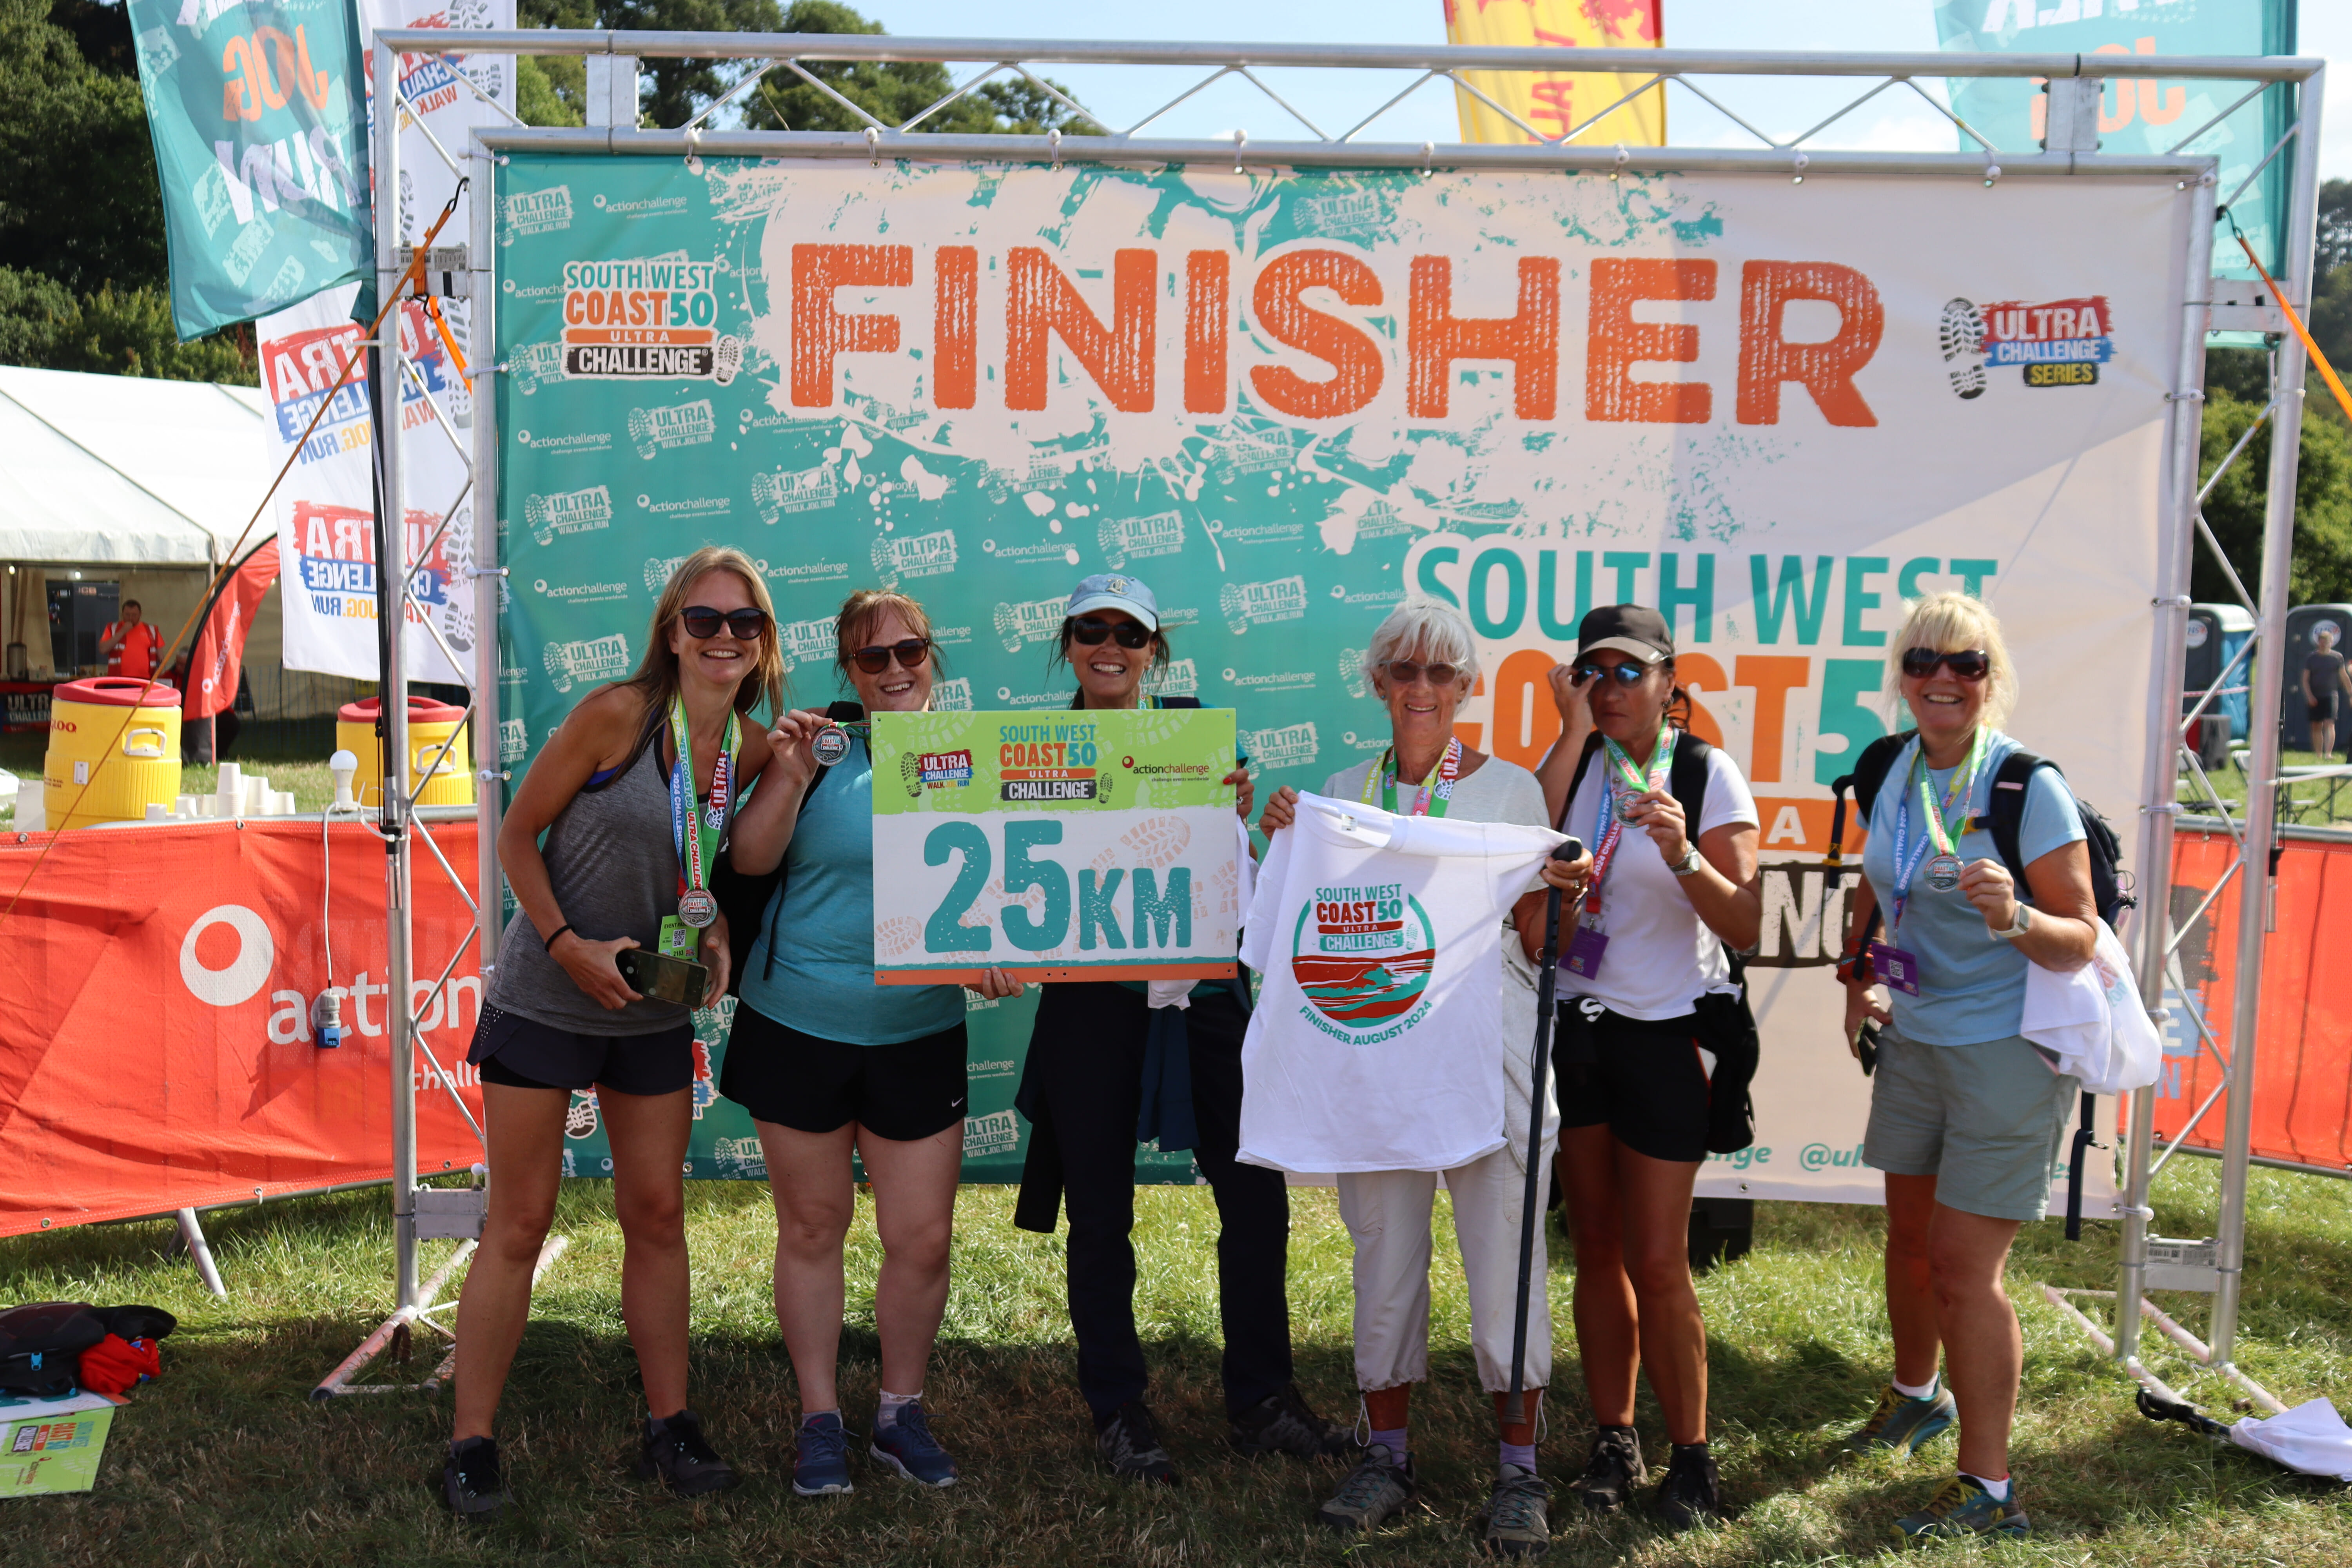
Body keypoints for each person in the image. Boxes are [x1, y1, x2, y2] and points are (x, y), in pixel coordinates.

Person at [444, 545, 782, 1516]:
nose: (723, 637)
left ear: (762, 642)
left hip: (651, 1010)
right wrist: (565, 943)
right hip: (546, 995)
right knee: (519, 1220)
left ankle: (669, 1426)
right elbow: (515, 835)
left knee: (657, 1215)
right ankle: (471, 1442)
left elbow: (718, 863)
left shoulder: (752, 750)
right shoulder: (615, 715)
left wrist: (715, 923)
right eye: (704, 620)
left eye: (743, 622)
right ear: (672, 632)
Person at [1258, 599, 1586, 1559]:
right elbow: (1299, 923)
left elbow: (1535, 935)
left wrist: (1561, 890)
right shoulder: (1338, 792)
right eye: (1403, 668)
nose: (1420, 686)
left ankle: (1519, 1472)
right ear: (1376, 683)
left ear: (1466, 686)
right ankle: (1387, 1453)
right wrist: (1285, 831)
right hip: (1380, 1067)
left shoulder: (1513, 791)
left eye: (1441, 672)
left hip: (1490, 1067)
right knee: (1384, 1263)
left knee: (1505, 1270)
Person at [1011, 572, 1349, 1485]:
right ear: (1068, 642)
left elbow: (1238, 894)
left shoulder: (1202, 740)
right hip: (1090, 999)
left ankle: (1263, 1398)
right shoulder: (1028, 749)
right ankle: (1119, 1408)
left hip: (1201, 995)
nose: (1109, 644)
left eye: (1130, 631)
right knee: (1100, 1213)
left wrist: (1238, 822)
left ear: (1155, 650)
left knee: (1254, 1198)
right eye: (1091, 628)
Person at [721, 588, 1024, 1497]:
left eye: (910, 651)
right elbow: (750, 861)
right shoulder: (822, 749)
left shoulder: (978, 759)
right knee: (813, 1227)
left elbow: (1025, 877)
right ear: (848, 671)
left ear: (934, 657)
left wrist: (1001, 947)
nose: (895, 670)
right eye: (872, 657)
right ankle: (820, 1418)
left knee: (922, 1239)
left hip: (916, 1030)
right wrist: (790, 773)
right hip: (798, 1023)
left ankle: (899, 1411)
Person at [1831, 591, 2097, 1541]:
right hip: (1916, 1039)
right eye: (1925, 661)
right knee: (1909, 1241)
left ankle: (1989, 1486)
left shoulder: (2027, 785)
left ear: (1991, 678)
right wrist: (1860, 976)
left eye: (1967, 663)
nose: (1944, 677)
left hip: (2005, 1053)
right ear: (1902, 675)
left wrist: (2016, 914)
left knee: (1962, 1267)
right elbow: (1879, 885)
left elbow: (2080, 940)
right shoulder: (1894, 767)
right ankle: (1917, 1395)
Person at [1531, 604, 1760, 1531]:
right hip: (1580, 1026)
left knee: (1660, 1257)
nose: (1612, 687)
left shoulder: (1706, 772)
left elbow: (1745, 926)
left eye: (1630, 672)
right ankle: (1615, 1436)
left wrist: (1678, 854)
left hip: (1668, 1033)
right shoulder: (1576, 760)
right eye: (1596, 672)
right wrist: (1568, 728)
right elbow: (1531, 839)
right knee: (1594, 1242)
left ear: (1671, 682)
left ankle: (1694, 1457)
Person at [2302, 626, 2351, 760]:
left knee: (2330, 723)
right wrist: (2309, 696)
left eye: (2326, 642)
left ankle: (2328, 753)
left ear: (2331, 642)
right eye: (2321, 641)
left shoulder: (2337, 658)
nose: (2323, 644)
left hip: (2331, 695)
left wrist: (2351, 693)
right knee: (2316, 725)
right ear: (2318, 642)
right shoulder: (2311, 658)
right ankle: (2318, 754)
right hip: (2315, 696)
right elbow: (2305, 679)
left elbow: (2344, 676)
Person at [101, 600, 159, 681]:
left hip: (145, 679)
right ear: (122, 614)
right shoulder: (112, 628)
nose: (131, 618)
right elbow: (103, 649)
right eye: (127, 615)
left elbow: (161, 656)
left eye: (134, 615)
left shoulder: (151, 630)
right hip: (118, 678)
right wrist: (122, 631)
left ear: (140, 615)